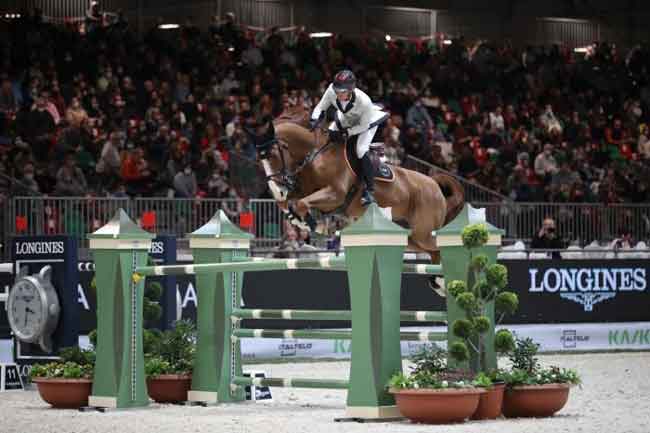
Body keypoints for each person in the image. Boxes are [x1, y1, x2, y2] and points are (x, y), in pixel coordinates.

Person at [309, 70, 388, 206]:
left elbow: (363, 126)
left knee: (360, 150)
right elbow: (321, 107)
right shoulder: (332, 90)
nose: (338, 94)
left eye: (342, 91)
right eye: (337, 90)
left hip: (365, 124)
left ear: (351, 90)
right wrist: (314, 119)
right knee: (329, 135)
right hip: (346, 118)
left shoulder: (364, 101)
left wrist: (347, 133)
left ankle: (369, 190)